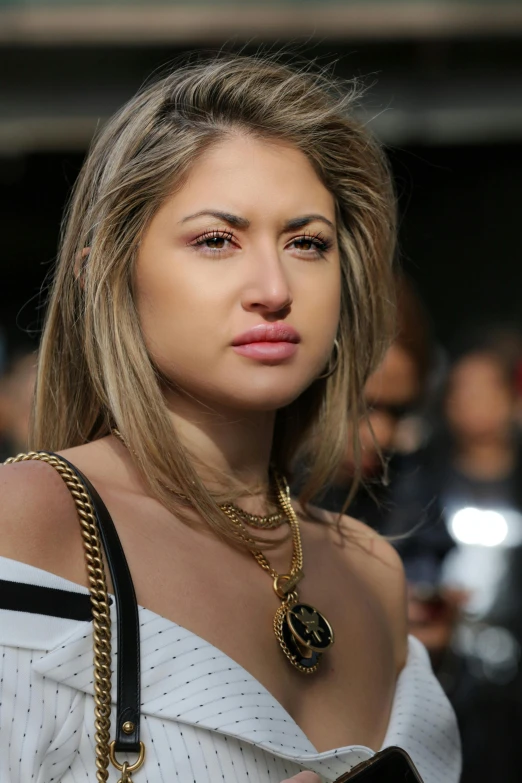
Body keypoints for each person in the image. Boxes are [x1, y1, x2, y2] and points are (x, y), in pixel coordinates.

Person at [0, 55, 460, 783]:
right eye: (218, 239)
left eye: (307, 241)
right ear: (104, 273)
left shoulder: (373, 570)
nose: (275, 288)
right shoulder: (31, 520)